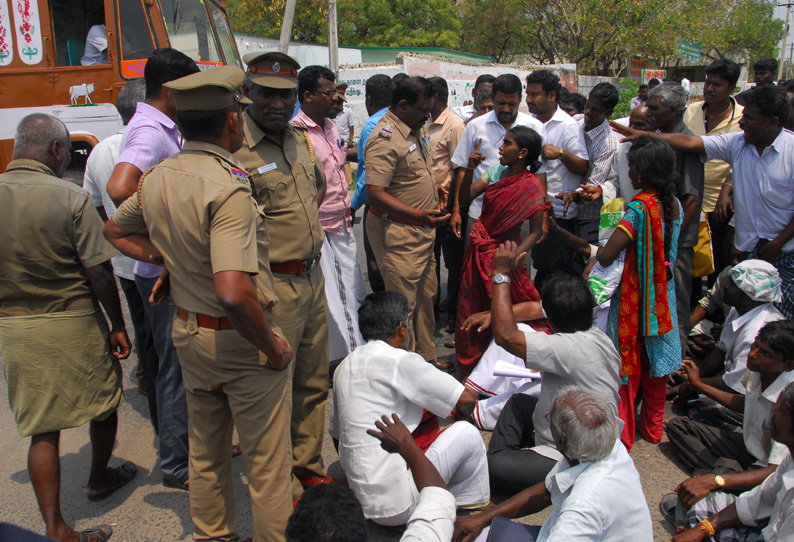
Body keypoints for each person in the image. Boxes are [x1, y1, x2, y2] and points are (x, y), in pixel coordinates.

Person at [104, 66, 295, 542]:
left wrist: (171, 259)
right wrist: (271, 347)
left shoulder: (160, 176)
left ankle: (211, 536)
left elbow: (115, 230)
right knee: (268, 467)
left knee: (206, 454)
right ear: (232, 121)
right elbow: (233, 292)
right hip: (240, 341)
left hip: (189, 333)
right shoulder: (227, 185)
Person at [0, 113, 134, 542]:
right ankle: (98, 478)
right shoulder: (69, 198)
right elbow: (98, 271)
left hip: (17, 327)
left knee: (44, 427)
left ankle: (55, 527)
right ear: (57, 151)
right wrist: (117, 324)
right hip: (73, 321)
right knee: (105, 403)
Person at [611, 84, 794, 320]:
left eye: (749, 118)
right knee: (748, 318)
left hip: (785, 252)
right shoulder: (737, 143)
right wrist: (645, 135)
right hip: (750, 251)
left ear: (772, 122)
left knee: (780, 322)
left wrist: (777, 244)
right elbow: (691, 143)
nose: (742, 122)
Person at [234, 51, 331, 496]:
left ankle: (306, 468)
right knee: (278, 387)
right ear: (246, 93)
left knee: (313, 382)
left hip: (313, 278)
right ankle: (279, 488)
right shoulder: (235, 148)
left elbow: (319, 188)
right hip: (275, 285)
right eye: (267, 94)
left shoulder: (300, 139)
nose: (277, 103)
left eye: (285, 94)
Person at [106, 47, 199, 490]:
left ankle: (188, 449)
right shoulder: (150, 131)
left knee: (180, 364)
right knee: (176, 368)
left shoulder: (163, 126)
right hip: (159, 274)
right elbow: (120, 186)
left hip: (162, 270)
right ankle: (178, 464)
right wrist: (158, 243)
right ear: (171, 89)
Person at [330, 291, 489, 526]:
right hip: (398, 507)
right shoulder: (399, 360)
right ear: (401, 328)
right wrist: (460, 418)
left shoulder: (345, 365)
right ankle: (468, 503)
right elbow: (464, 399)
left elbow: (337, 435)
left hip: (362, 503)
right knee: (467, 434)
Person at [485, 243, 621, 491]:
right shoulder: (598, 338)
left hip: (575, 453)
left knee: (495, 466)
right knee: (518, 403)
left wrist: (501, 274)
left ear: (552, 320)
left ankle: (541, 472)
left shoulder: (566, 347)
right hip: (564, 426)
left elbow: (504, 335)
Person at [454, 388, 653, 542]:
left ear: (560, 441)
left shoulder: (582, 508)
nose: (546, 415)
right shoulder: (602, 446)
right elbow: (546, 491)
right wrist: (483, 518)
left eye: (549, 416)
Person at [663, 321, 794, 540]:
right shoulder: (758, 372)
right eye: (755, 346)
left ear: (788, 365)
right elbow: (746, 403)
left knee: (692, 501)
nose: (753, 354)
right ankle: (726, 475)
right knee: (679, 427)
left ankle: (725, 476)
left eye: (766, 353)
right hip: (749, 448)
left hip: (764, 465)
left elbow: (772, 474)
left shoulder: (788, 402)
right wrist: (705, 526)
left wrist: (715, 481)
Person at [596, 138, 683, 450]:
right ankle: (653, 429)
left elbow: (607, 256)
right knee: (656, 368)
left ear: (643, 175)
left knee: (627, 370)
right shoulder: (675, 206)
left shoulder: (637, 209)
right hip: (663, 299)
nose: (628, 172)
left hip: (633, 301)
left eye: (632, 167)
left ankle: (624, 437)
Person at [82, 79, 159, 426]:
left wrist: (118, 239)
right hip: (156, 262)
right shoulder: (154, 142)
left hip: (125, 262)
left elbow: (97, 207)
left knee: (143, 328)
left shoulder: (100, 151)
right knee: (165, 339)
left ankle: (146, 379)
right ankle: (164, 404)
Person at [364, 76, 450, 369]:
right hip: (399, 231)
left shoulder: (414, 128)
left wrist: (434, 187)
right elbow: (375, 194)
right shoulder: (385, 138)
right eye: (423, 109)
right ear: (402, 105)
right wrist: (416, 214)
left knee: (427, 297)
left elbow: (412, 174)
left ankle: (425, 357)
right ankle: (404, 368)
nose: (428, 115)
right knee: (403, 306)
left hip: (422, 230)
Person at [455, 126, 549, 375]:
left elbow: (536, 231)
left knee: (506, 307)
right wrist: (469, 168)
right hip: (479, 250)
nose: (501, 147)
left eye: (507, 143)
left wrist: (518, 254)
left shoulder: (532, 185)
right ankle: (473, 367)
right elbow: (465, 199)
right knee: (472, 305)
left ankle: (503, 369)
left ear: (523, 153)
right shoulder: (496, 172)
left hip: (506, 255)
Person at [288, 413, 459, 542]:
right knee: (465, 432)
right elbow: (438, 497)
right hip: (398, 509)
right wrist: (407, 446)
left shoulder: (343, 372)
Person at [294, 66, 366, 370]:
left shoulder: (330, 127)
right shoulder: (296, 132)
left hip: (341, 222)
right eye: (329, 92)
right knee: (340, 297)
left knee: (349, 291)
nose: (336, 98)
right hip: (322, 228)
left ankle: (338, 356)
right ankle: (354, 360)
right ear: (308, 96)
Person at [668, 381, 794, 542]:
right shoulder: (790, 458)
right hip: (769, 527)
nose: (774, 413)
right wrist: (704, 528)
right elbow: (757, 499)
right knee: (697, 500)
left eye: (782, 411)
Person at [676, 261, 783, 427]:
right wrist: (694, 379)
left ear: (747, 294)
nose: (725, 286)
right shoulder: (738, 310)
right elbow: (720, 351)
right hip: (740, 383)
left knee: (705, 406)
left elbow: (734, 386)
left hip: (755, 398)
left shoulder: (755, 332)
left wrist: (693, 385)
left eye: (732, 284)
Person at [450, 73, 546, 244]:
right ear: (492, 97)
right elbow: (463, 170)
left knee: (515, 264)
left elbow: (540, 174)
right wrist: (457, 209)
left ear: (520, 99)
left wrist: (543, 218)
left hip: (519, 218)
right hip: (480, 215)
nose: (507, 109)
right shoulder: (475, 126)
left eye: (512, 104)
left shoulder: (535, 127)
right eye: (501, 103)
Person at [647, 82, 705, 354]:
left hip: (676, 245)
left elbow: (691, 199)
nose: (648, 112)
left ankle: (677, 362)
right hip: (657, 238)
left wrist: (669, 240)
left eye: (654, 108)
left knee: (676, 304)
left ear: (672, 111)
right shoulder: (658, 138)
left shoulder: (687, 144)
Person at [525, 69, 589, 287]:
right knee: (537, 265)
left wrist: (561, 153)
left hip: (558, 214)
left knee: (555, 273)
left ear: (552, 96)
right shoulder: (528, 123)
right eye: (528, 94)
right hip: (532, 209)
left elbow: (582, 166)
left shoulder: (568, 126)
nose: (529, 100)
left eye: (535, 94)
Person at [683, 59, 743, 288]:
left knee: (718, 258)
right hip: (689, 196)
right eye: (707, 83)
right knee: (691, 258)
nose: (709, 89)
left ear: (732, 88)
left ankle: (714, 314)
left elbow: (743, 161)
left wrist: (727, 190)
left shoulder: (743, 118)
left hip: (720, 203)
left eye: (716, 84)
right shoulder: (690, 111)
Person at [557, 82, 621, 243]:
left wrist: (572, 195)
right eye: (588, 105)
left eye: (595, 109)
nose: (588, 112)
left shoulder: (609, 145)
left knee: (584, 260)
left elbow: (592, 184)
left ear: (609, 112)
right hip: (562, 208)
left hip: (586, 216)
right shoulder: (576, 122)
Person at [351, 74, 394, 293]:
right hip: (400, 204)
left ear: (369, 99)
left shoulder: (372, 125)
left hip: (378, 205)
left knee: (377, 267)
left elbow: (368, 172)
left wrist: (353, 205)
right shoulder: (398, 120)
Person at [426, 76, 465, 314]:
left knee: (452, 261)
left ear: (435, 98)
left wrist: (452, 203)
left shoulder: (454, 125)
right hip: (428, 203)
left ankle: (453, 306)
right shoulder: (426, 123)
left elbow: (459, 168)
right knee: (431, 257)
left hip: (447, 204)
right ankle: (434, 302)